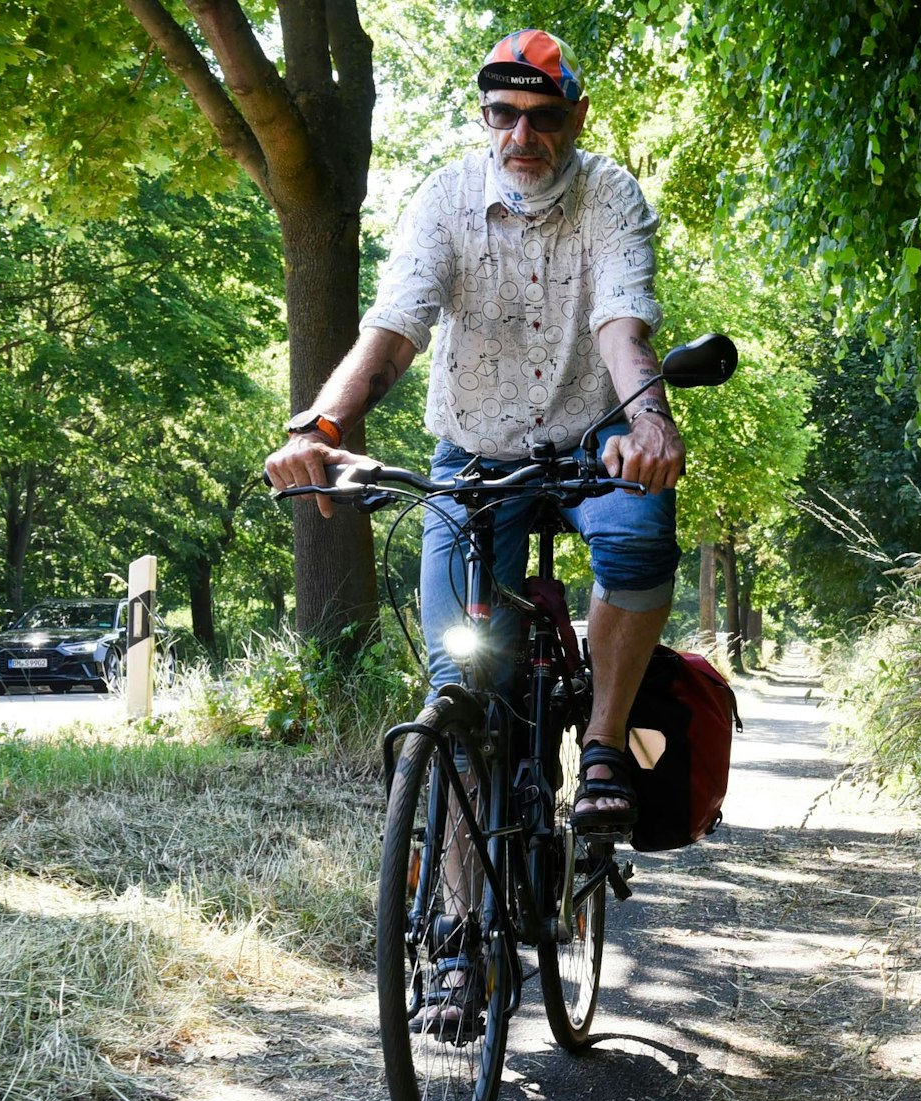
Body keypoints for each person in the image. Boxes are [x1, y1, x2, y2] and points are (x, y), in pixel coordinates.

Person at [263, 28, 680, 837]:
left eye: (544, 116)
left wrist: (649, 423)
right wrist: (322, 424)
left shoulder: (610, 195)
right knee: (459, 686)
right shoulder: (445, 198)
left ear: (578, 117)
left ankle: (601, 746)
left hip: (595, 441)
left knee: (639, 529)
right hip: (476, 451)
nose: (522, 136)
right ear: (483, 116)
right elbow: (395, 325)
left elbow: (622, 328)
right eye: (503, 114)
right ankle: (456, 940)